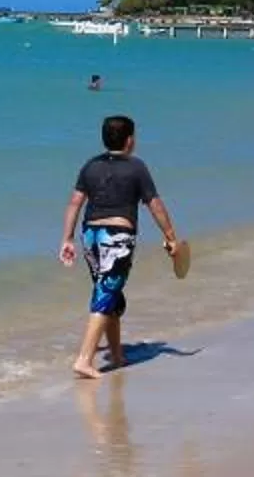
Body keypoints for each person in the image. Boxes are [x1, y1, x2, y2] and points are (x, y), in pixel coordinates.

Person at [58, 115, 185, 379]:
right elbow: (155, 204)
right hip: (117, 236)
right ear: (130, 141)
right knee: (106, 293)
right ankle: (84, 359)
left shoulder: (90, 166)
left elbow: (74, 203)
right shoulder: (136, 167)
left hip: (90, 235)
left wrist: (67, 239)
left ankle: (116, 355)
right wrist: (171, 236)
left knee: (109, 292)